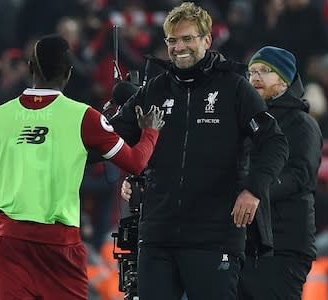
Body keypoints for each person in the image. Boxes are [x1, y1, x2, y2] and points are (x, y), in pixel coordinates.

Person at [115, 3, 288, 299]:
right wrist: (130, 166)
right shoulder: (155, 89)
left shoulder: (235, 88)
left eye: (187, 39)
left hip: (214, 238)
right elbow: (113, 134)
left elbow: (274, 142)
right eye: (172, 40)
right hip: (157, 236)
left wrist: (254, 189)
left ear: (207, 40)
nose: (179, 47)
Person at [0, 34, 165, 300]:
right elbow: (136, 163)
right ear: (68, 73)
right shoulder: (84, 117)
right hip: (59, 245)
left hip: (9, 242)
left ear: (31, 68)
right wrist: (150, 132)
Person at [237, 46, 323, 299]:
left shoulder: (301, 123)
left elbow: (300, 175)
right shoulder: (245, 121)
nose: (255, 77)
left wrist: (253, 189)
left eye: (265, 71)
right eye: (252, 71)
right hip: (246, 243)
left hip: (284, 244)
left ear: (284, 80)